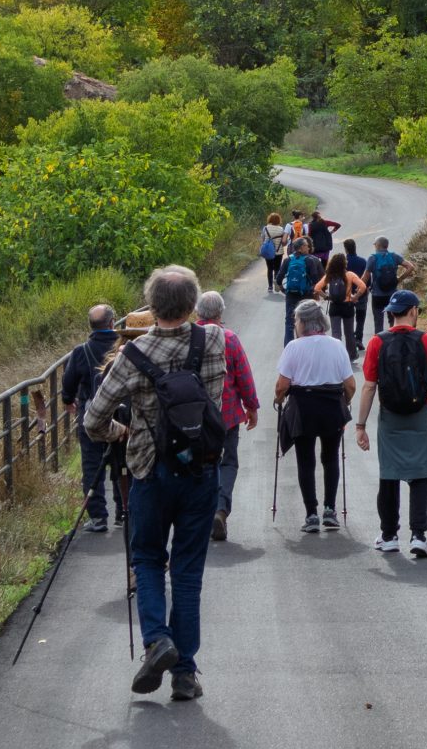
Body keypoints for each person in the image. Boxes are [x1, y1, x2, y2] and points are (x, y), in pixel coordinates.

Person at [82, 266, 227, 702]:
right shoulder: (214, 341)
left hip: (149, 470)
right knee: (188, 571)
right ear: (191, 304)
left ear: (151, 305)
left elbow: (93, 420)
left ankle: (157, 640)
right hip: (201, 470)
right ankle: (185, 673)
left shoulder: (132, 354)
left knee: (146, 558)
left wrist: (121, 434)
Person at [354, 289, 427, 558]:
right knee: (420, 473)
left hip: (390, 417)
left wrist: (360, 425)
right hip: (418, 414)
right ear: (414, 311)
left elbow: (369, 387)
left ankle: (388, 535)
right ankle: (419, 536)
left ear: (391, 313)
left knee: (389, 473)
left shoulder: (377, 342)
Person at [275, 299, 358, 534]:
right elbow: (350, 385)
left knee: (306, 460)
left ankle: (311, 514)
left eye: (296, 320)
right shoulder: (336, 345)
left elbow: (282, 386)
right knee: (331, 458)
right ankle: (330, 510)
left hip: (303, 407)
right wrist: (345, 402)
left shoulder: (294, 347)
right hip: (332, 406)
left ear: (302, 322)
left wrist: (279, 400)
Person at [194, 291, 260, 543]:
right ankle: (220, 510)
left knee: (197, 463)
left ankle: (198, 515)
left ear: (197, 312)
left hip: (191, 416)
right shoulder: (229, 338)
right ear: (220, 312)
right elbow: (243, 375)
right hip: (227, 413)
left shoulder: (186, 336)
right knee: (228, 462)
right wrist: (251, 406)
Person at [59, 304, 124, 533]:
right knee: (122, 464)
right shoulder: (124, 346)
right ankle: (123, 512)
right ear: (112, 322)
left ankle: (98, 518)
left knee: (91, 465)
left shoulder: (81, 351)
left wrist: (69, 400)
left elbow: (68, 385)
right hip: (121, 415)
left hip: (91, 417)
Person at [319, 237, 370, 356]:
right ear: (344, 263)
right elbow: (363, 286)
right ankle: (352, 353)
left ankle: (336, 354)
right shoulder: (350, 274)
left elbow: (316, 288)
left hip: (334, 306)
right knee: (349, 332)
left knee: (336, 332)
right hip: (347, 305)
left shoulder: (330, 275)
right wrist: (355, 297)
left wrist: (327, 297)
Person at [281, 236, 320, 344]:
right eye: (306, 246)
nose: (308, 248)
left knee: (289, 322)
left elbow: (279, 279)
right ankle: (305, 345)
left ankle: (288, 348)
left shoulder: (288, 260)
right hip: (306, 295)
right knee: (307, 320)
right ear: (301, 248)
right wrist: (316, 293)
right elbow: (315, 280)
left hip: (291, 295)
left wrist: (285, 290)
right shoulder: (310, 260)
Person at [365, 236, 406, 307]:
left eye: (375, 244)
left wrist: (359, 289)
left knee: (378, 317)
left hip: (377, 294)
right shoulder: (394, 256)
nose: (374, 246)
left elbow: (366, 277)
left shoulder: (372, 258)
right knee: (392, 316)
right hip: (392, 293)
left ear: (378, 245)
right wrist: (400, 279)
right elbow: (410, 267)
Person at [259, 213, 285, 294]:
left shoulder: (266, 228)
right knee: (277, 268)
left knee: (270, 269)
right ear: (278, 220)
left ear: (269, 219)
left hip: (268, 251)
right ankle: (276, 282)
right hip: (279, 251)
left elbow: (263, 239)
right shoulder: (281, 229)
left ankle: (270, 287)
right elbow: (283, 242)